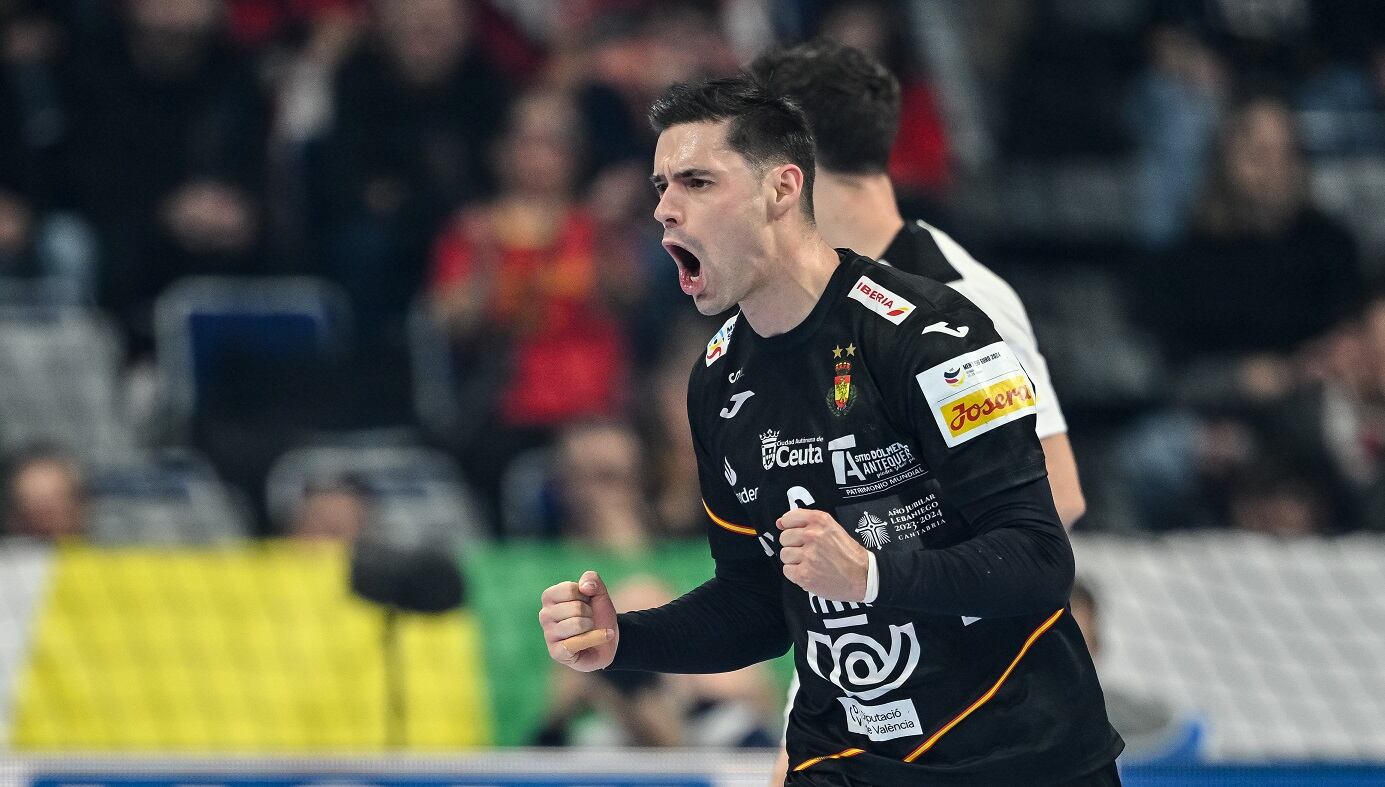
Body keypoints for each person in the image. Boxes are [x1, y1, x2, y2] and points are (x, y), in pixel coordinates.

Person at [538, 74, 1122, 784]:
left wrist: (869, 574)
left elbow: (1037, 559)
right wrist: (624, 638)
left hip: (1019, 754)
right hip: (846, 758)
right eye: (659, 186)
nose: (663, 209)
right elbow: (756, 601)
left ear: (782, 189)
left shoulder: (933, 332)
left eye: (695, 182)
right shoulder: (718, 380)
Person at [748, 39, 1090, 783]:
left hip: (965, 700)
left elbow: (1056, 494)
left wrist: (878, 576)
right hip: (860, 684)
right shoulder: (809, 310)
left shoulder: (957, 299)